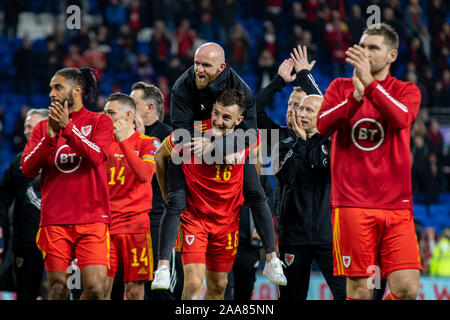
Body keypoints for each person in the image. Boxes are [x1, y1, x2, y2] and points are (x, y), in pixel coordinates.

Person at [152, 42, 286, 290]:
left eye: (205, 65)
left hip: (226, 212)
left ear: (222, 67)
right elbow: (173, 144)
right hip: (193, 164)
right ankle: (162, 266)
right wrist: (166, 191)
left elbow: (254, 137)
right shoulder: (183, 87)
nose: (198, 69)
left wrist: (224, 149)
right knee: (176, 200)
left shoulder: (242, 93)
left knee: (256, 193)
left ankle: (271, 257)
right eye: (196, 63)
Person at [316, 23, 423, 300]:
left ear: (392, 55)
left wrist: (371, 86)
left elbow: (401, 119)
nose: (366, 53)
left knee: (407, 289)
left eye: (373, 48)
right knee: (359, 292)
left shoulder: (406, 90)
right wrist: (355, 98)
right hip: (352, 204)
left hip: (397, 207)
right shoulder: (340, 88)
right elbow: (323, 125)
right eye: (362, 47)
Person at [257, 45, 346, 300]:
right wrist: (278, 82)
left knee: (345, 294)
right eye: (295, 107)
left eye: (306, 108)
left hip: (330, 235)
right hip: (293, 235)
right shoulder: (280, 139)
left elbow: (327, 106)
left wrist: (306, 75)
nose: (298, 112)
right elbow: (252, 113)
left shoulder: (330, 140)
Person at [155, 89, 262, 300]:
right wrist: (170, 197)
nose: (218, 121)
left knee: (219, 286)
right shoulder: (192, 132)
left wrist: (249, 194)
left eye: (226, 117)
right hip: (194, 217)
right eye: (216, 113)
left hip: (227, 220)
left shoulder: (248, 138)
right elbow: (160, 156)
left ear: (239, 119)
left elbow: (256, 159)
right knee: (193, 284)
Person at [20, 67, 114, 300]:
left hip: (92, 217)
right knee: (57, 289)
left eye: (58, 87)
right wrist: (50, 138)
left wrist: (68, 129)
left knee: (96, 289)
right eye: (51, 87)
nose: (51, 93)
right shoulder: (42, 128)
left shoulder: (100, 122)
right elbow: (27, 168)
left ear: (77, 90)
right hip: (55, 220)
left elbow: (97, 156)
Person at [103, 93, 159, 300]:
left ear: (128, 116)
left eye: (111, 113)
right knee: (101, 289)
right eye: (104, 112)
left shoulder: (148, 143)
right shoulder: (101, 143)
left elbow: (144, 175)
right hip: (105, 225)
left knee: (134, 292)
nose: (105, 117)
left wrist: (123, 142)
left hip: (135, 226)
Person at [130, 82, 182, 299]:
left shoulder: (170, 137)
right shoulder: (124, 137)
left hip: (159, 221)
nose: (128, 108)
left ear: (150, 108)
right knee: (135, 289)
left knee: (161, 291)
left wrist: (142, 140)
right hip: (130, 221)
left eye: (133, 103)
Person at [0, 108, 50, 300]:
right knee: (26, 293)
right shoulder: (17, 162)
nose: (25, 131)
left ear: (46, 126)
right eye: (26, 126)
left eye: (31, 126)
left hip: (58, 239)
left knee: (59, 290)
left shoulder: (65, 158)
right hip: (26, 242)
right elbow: (3, 196)